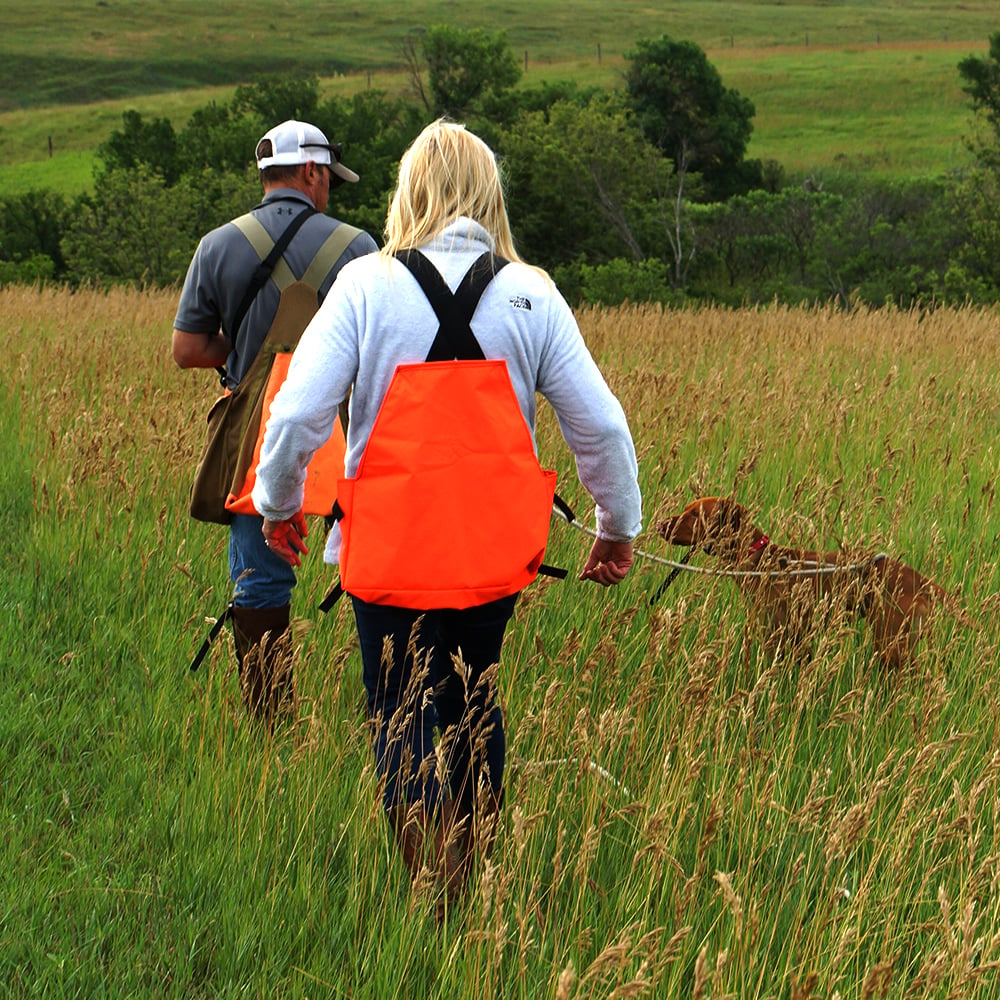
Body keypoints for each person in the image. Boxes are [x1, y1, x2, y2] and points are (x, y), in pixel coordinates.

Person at [251, 119, 642, 912]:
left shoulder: (367, 285)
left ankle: (434, 893)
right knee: (477, 705)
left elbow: (295, 418)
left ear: (409, 192)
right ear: (488, 192)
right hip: (492, 556)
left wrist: (277, 504)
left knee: (398, 713)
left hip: (388, 554)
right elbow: (600, 425)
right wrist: (616, 524)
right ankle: (477, 885)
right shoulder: (532, 292)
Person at [172, 119, 378, 726]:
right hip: (341, 433)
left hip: (257, 436)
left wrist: (243, 353)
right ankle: (392, 707)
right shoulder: (359, 248)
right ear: (313, 172)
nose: (329, 190)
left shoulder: (217, 245)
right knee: (372, 563)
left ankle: (272, 726)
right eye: (329, 179)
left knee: (259, 583)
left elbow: (186, 350)